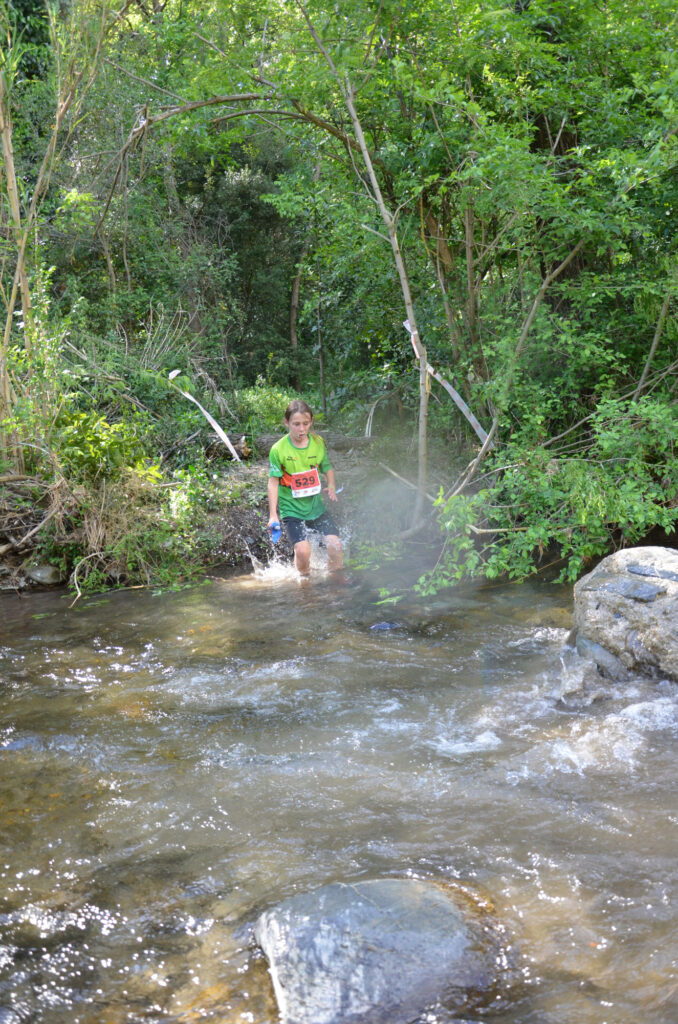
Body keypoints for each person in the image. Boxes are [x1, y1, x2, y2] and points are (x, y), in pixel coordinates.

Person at [267, 400, 343, 576]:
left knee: (336, 546)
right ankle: (304, 583)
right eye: (296, 424)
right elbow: (273, 482)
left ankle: (336, 582)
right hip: (292, 510)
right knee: (302, 551)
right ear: (286, 422)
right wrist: (273, 515)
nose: (301, 429)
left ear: (311, 422)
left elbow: (326, 468)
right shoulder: (278, 449)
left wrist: (331, 485)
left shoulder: (317, 442)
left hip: (316, 508)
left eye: (306, 424)